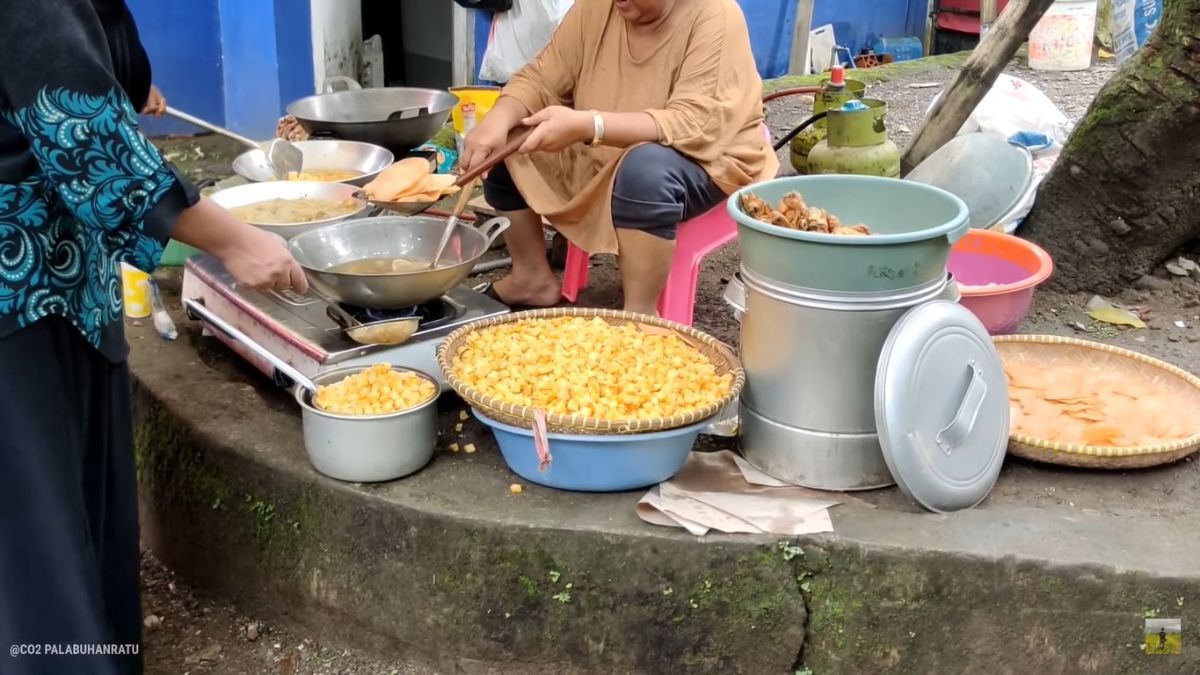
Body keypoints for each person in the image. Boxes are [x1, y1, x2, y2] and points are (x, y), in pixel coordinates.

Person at [0, 1, 306, 673]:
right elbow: (87, 141)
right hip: (18, 295)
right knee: (37, 539)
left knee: (80, 510)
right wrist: (238, 240)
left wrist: (123, 81)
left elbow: (94, 72)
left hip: (66, 281)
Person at [462, 0, 777, 315]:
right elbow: (542, 78)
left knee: (645, 172)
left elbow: (694, 123)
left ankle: (640, 315)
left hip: (706, 156)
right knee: (512, 139)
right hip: (603, 148)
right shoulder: (597, 8)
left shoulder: (715, 15)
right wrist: (498, 119)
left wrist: (590, 125)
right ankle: (531, 277)